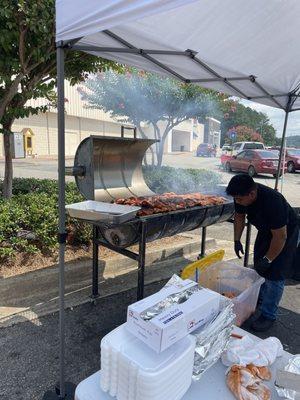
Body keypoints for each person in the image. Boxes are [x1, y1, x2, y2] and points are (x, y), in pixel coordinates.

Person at [226, 174, 299, 332]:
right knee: (259, 268)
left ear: (251, 194)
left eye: (238, 199)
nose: (237, 202)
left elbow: (280, 237)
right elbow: (239, 216)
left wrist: (268, 259)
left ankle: (268, 314)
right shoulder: (241, 194)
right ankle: (259, 297)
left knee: (275, 274)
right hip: (266, 230)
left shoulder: (273, 202)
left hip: (286, 233)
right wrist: (236, 240)